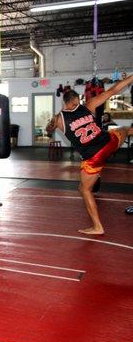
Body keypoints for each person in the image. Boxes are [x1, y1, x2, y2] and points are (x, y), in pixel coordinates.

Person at [46, 74, 133, 235]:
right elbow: (114, 90)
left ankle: (98, 227)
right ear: (77, 100)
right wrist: (131, 78)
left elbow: (48, 130)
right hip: (109, 143)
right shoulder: (89, 105)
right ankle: (97, 227)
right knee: (127, 130)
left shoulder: (59, 119)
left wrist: (55, 118)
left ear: (64, 102)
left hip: (94, 157)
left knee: (84, 190)